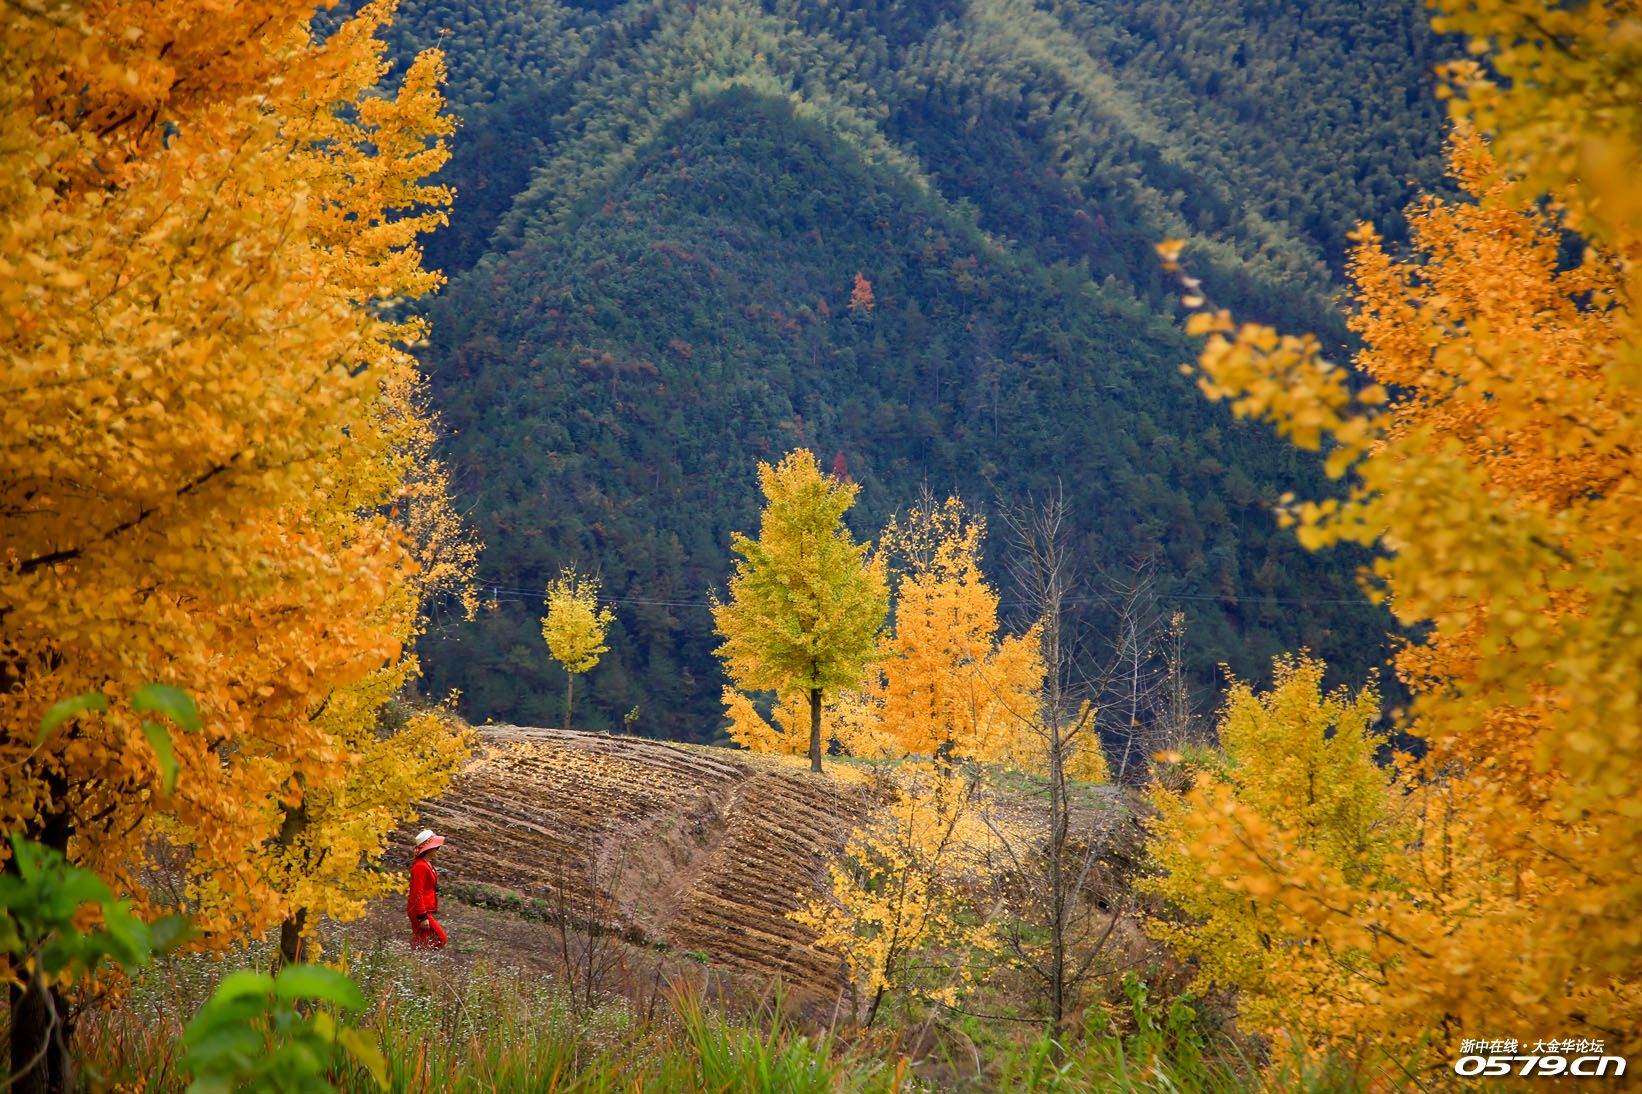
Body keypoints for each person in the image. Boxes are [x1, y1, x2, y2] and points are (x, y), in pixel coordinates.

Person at [408, 828, 447, 950]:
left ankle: (419, 961)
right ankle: (420, 960)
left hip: (423, 910)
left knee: (421, 942)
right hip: (419, 910)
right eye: (436, 847)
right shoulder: (420, 867)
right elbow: (417, 892)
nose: (437, 850)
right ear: (429, 849)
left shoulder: (427, 864)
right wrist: (422, 916)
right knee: (441, 938)